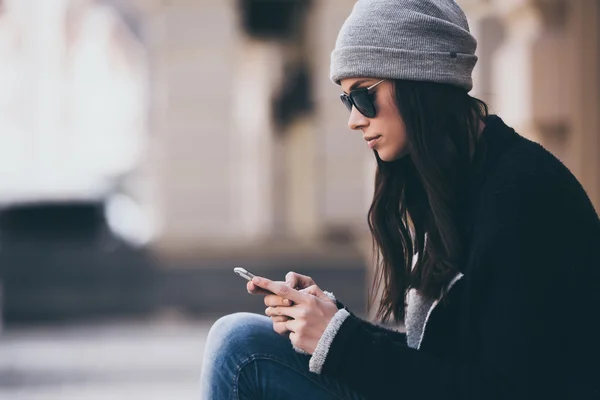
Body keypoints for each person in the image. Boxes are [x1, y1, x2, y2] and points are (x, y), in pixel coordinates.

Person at [199, 1, 600, 399]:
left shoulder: (522, 198)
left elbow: (503, 389)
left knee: (239, 349)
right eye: (346, 100)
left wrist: (342, 342)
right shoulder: (455, 180)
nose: (354, 119)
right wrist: (330, 322)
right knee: (239, 339)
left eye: (363, 95)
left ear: (418, 79)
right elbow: (440, 362)